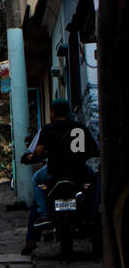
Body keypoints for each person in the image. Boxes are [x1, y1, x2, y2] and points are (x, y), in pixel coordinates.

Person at [20, 99, 99, 255]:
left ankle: (41, 218)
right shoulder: (80, 128)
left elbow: (39, 153)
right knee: (95, 182)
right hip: (79, 173)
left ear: (54, 112)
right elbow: (94, 149)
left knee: (36, 180)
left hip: (54, 173)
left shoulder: (48, 129)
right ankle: (92, 213)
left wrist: (31, 158)